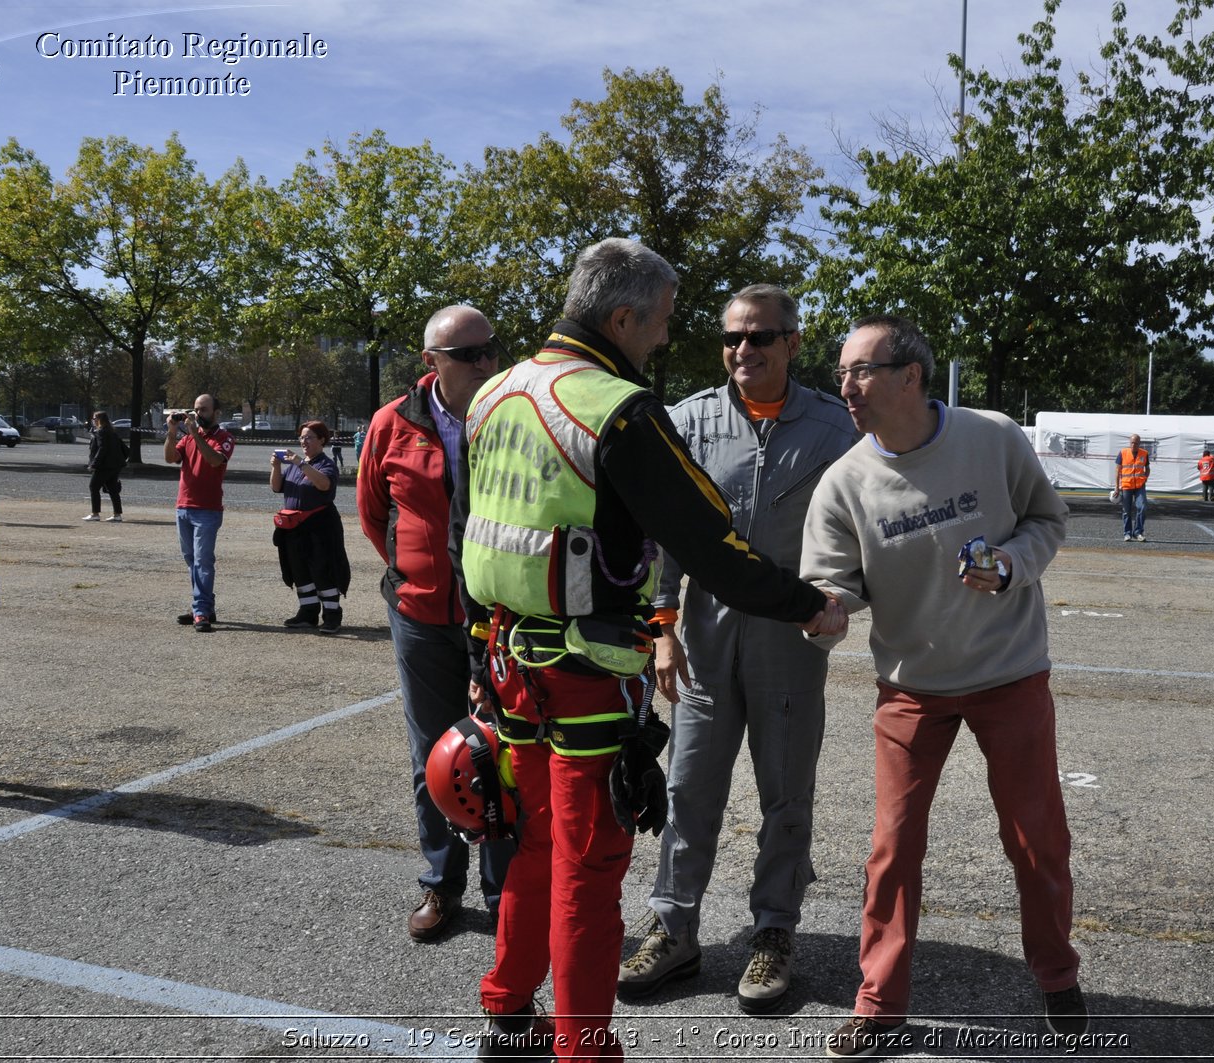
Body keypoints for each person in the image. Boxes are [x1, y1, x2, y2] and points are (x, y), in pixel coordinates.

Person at [460, 238, 843, 1062]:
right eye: (663, 322)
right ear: (623, 316)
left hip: (504, 663)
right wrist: (809, 602)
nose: (665, 340)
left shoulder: (494, 392)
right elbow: (715, 549)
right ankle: (584, 1049)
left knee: (525, 839)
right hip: (585, 675)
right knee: (589, 869)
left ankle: (506, 1010)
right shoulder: (619, 407)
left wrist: (477, 663)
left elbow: (475, 534)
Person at [800, 315, 1083, 1056]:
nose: (847, 387)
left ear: (911, 375)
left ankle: (1057, 975)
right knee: (892, 847)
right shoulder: (845, 482)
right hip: (911, 687)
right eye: (842, 373)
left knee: (1036, 840)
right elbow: (833, 586)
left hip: (1010, 672)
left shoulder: (991, 437)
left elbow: (1048, 519)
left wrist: (1013, 564)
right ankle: (879, 1002)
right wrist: (825, 614)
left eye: (861, 370)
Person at [618, 283, 858, 1014]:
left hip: (789, 635)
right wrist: (661, 627)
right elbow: (660, 532)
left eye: (759, 337)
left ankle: (774, 932)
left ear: (792, 341)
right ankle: (674, 927)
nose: (742, 350)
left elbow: (862, 520)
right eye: (731, 338)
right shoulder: (688, 419)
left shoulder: (833, 427)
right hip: (703, 634)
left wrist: (844, 597)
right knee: (689, 786)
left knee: (787, 791)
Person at [357, 304, 514, 943]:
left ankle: (505, 892)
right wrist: (415, 577)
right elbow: (373, 513)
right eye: (470, 354)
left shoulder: (512, 415)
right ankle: (439, 884)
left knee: (502, 755)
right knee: (433, 758)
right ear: (432, 363)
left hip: (500, 617)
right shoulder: (391, 423)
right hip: (421, 617)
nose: (486, 362)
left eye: (491, 349)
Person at [270, 420, 350, 632]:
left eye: (309, 437)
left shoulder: (325, 464)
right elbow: (276, 486)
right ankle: (308, 613)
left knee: (324, 570)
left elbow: (324, 484)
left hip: (321, 526)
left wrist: (300, 463)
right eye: (302, 437)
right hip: (294, 527)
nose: (304, 441)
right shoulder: (296, 465)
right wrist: (276, 466)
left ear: (322, 440)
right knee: (300, 571)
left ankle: (332, 615)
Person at [163, 394, 234, 633]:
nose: (197, 414)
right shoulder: (188, 438)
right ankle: (203, 606)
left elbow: (215, 461)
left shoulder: (223, 438)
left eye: (203, 410)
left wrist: (194, 433)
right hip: (183, 506)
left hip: (207, 510)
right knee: (191, 561)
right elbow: (170, 457)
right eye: (195, 410)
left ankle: (201, 610)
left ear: (216, 413)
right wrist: (172, 432)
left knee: (203, 561)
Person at [83, 411, 127, 523]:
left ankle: (95, 513)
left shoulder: (101, 432)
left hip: (104, 466)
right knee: (113, 489)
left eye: (94, 418)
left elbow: (102, 449)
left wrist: (94, 464)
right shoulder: (112, 432)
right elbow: (125, 448)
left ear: (99, 420)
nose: (93, 420)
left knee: (93, 487)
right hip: (115, 465)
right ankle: (117, 515)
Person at [1115, 433, 1150, 541]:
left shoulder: (1144, 453)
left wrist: (1145, 478)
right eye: (1132, 442)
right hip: (1126, 485)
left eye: (1136, 443)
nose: (1134, 445)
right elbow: (1117, 471)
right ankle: (1127, 533)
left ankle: (1138, 532)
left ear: (1139, 443)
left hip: (1140, 485)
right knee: (1127, 511)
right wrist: (1117, 487)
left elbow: (1147, 468)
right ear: (1129, 443)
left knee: (1142, 507)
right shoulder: (1123, 453)